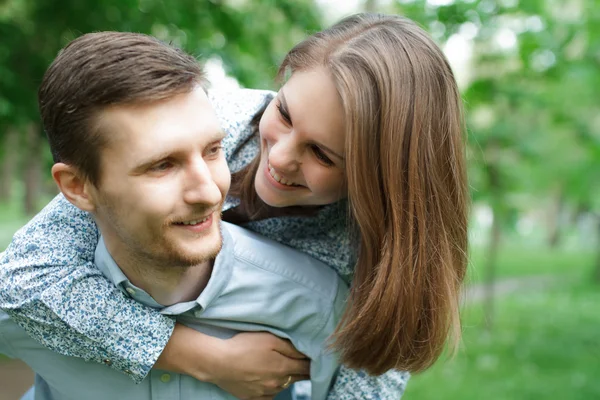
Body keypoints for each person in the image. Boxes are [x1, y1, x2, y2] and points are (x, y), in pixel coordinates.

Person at [0, 12, 468, 400]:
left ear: (383, 180)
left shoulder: (377, 252)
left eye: (323, 154)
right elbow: (22, 277)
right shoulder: (205, 127)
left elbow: (366, 378)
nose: (279, 157)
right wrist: (203, 358)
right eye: (283, 112)